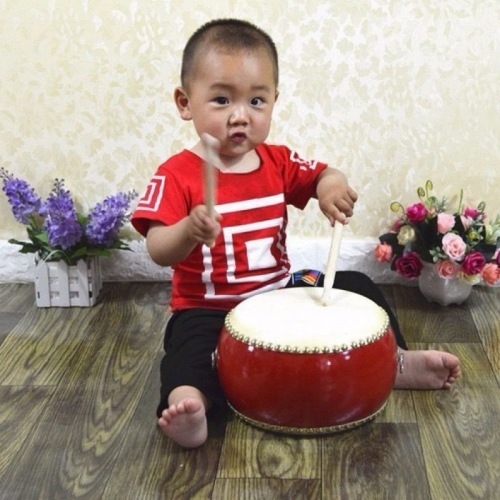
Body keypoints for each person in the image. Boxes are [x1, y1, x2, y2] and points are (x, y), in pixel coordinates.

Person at [132, 18, 461, 448]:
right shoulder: (176, 175)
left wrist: (331, 189)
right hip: (208, 307)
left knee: (357, 284)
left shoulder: (278, 161)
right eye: (221, 99)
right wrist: (188, 230)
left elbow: (325, 173)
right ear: (184, 102)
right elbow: (158, 248)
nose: (240, 115)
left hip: (280, 291)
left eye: (256, 100)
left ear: (274, 101)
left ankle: (395, 361)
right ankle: (190, 404)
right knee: (188, 348)